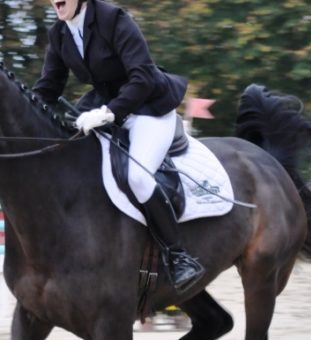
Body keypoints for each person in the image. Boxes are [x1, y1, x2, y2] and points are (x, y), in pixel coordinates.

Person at [32, 0, 204, 292]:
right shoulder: (59, 33)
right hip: (104, 108)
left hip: (149, 107)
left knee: (137, 176)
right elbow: (48, 88)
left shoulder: (113, 19)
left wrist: (110, 112)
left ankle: (179, 256)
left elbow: (143, 76)